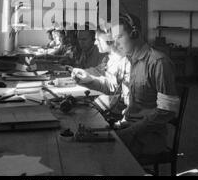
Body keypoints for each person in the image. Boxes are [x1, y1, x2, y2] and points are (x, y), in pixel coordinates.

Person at [72, 12, 180, 159]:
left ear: (135, 34)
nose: (114, 44)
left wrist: (130, 131)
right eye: (113, 38)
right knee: (81, 140)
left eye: (119, 37)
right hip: (127, 126)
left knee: (94, 153)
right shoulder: (126, 60)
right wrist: (88, 79)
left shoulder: (158, 62)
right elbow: (112, 87)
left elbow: (166, 111)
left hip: (148, 138)